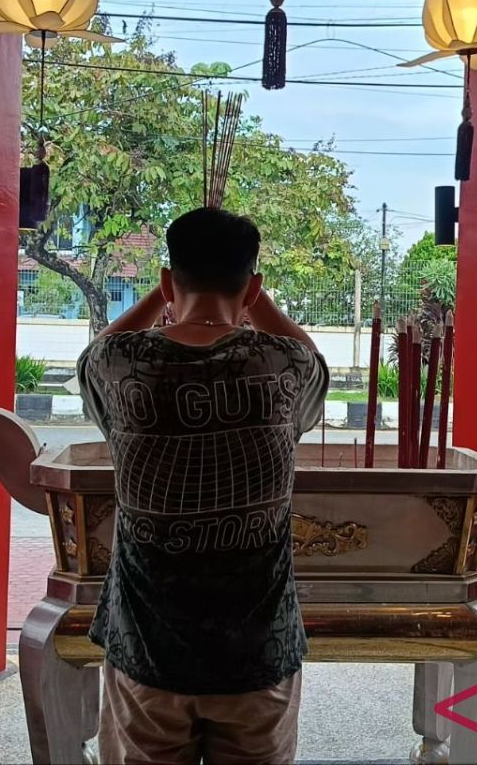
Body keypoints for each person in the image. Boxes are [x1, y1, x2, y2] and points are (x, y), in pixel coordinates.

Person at [77, 207, 329, 765]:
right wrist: (254, 304)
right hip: (258, 655)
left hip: (147, 653)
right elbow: (316, 361)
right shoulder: (283, 363)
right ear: (254, 286)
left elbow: (88, 356)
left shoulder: (119, 363)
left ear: (169, 280)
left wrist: (155, 299)